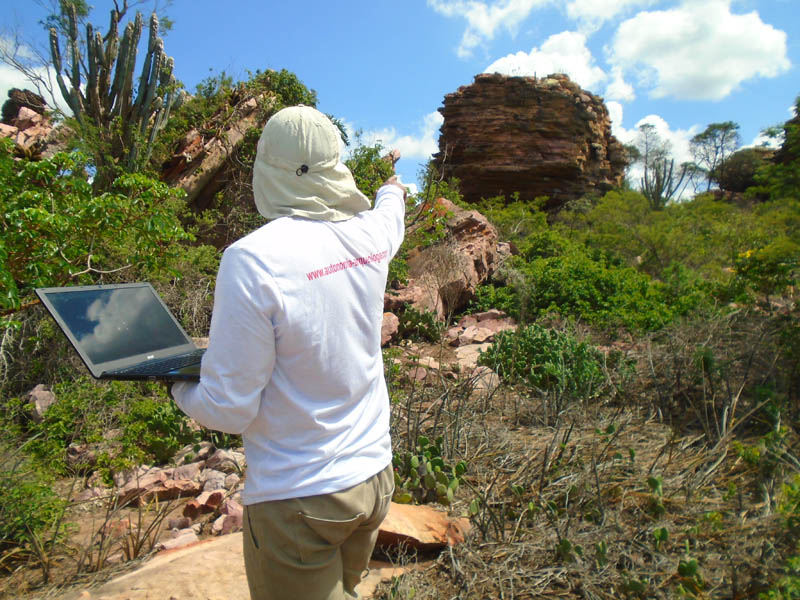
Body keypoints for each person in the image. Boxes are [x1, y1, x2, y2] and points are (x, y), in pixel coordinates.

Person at [170, 105, 406, 600]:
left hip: (302, 498)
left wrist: (176, 384)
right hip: (374, 479)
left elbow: (229, 409)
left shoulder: (252, 260)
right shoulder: (369, 236)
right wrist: (392, 185)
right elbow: (391, 215)